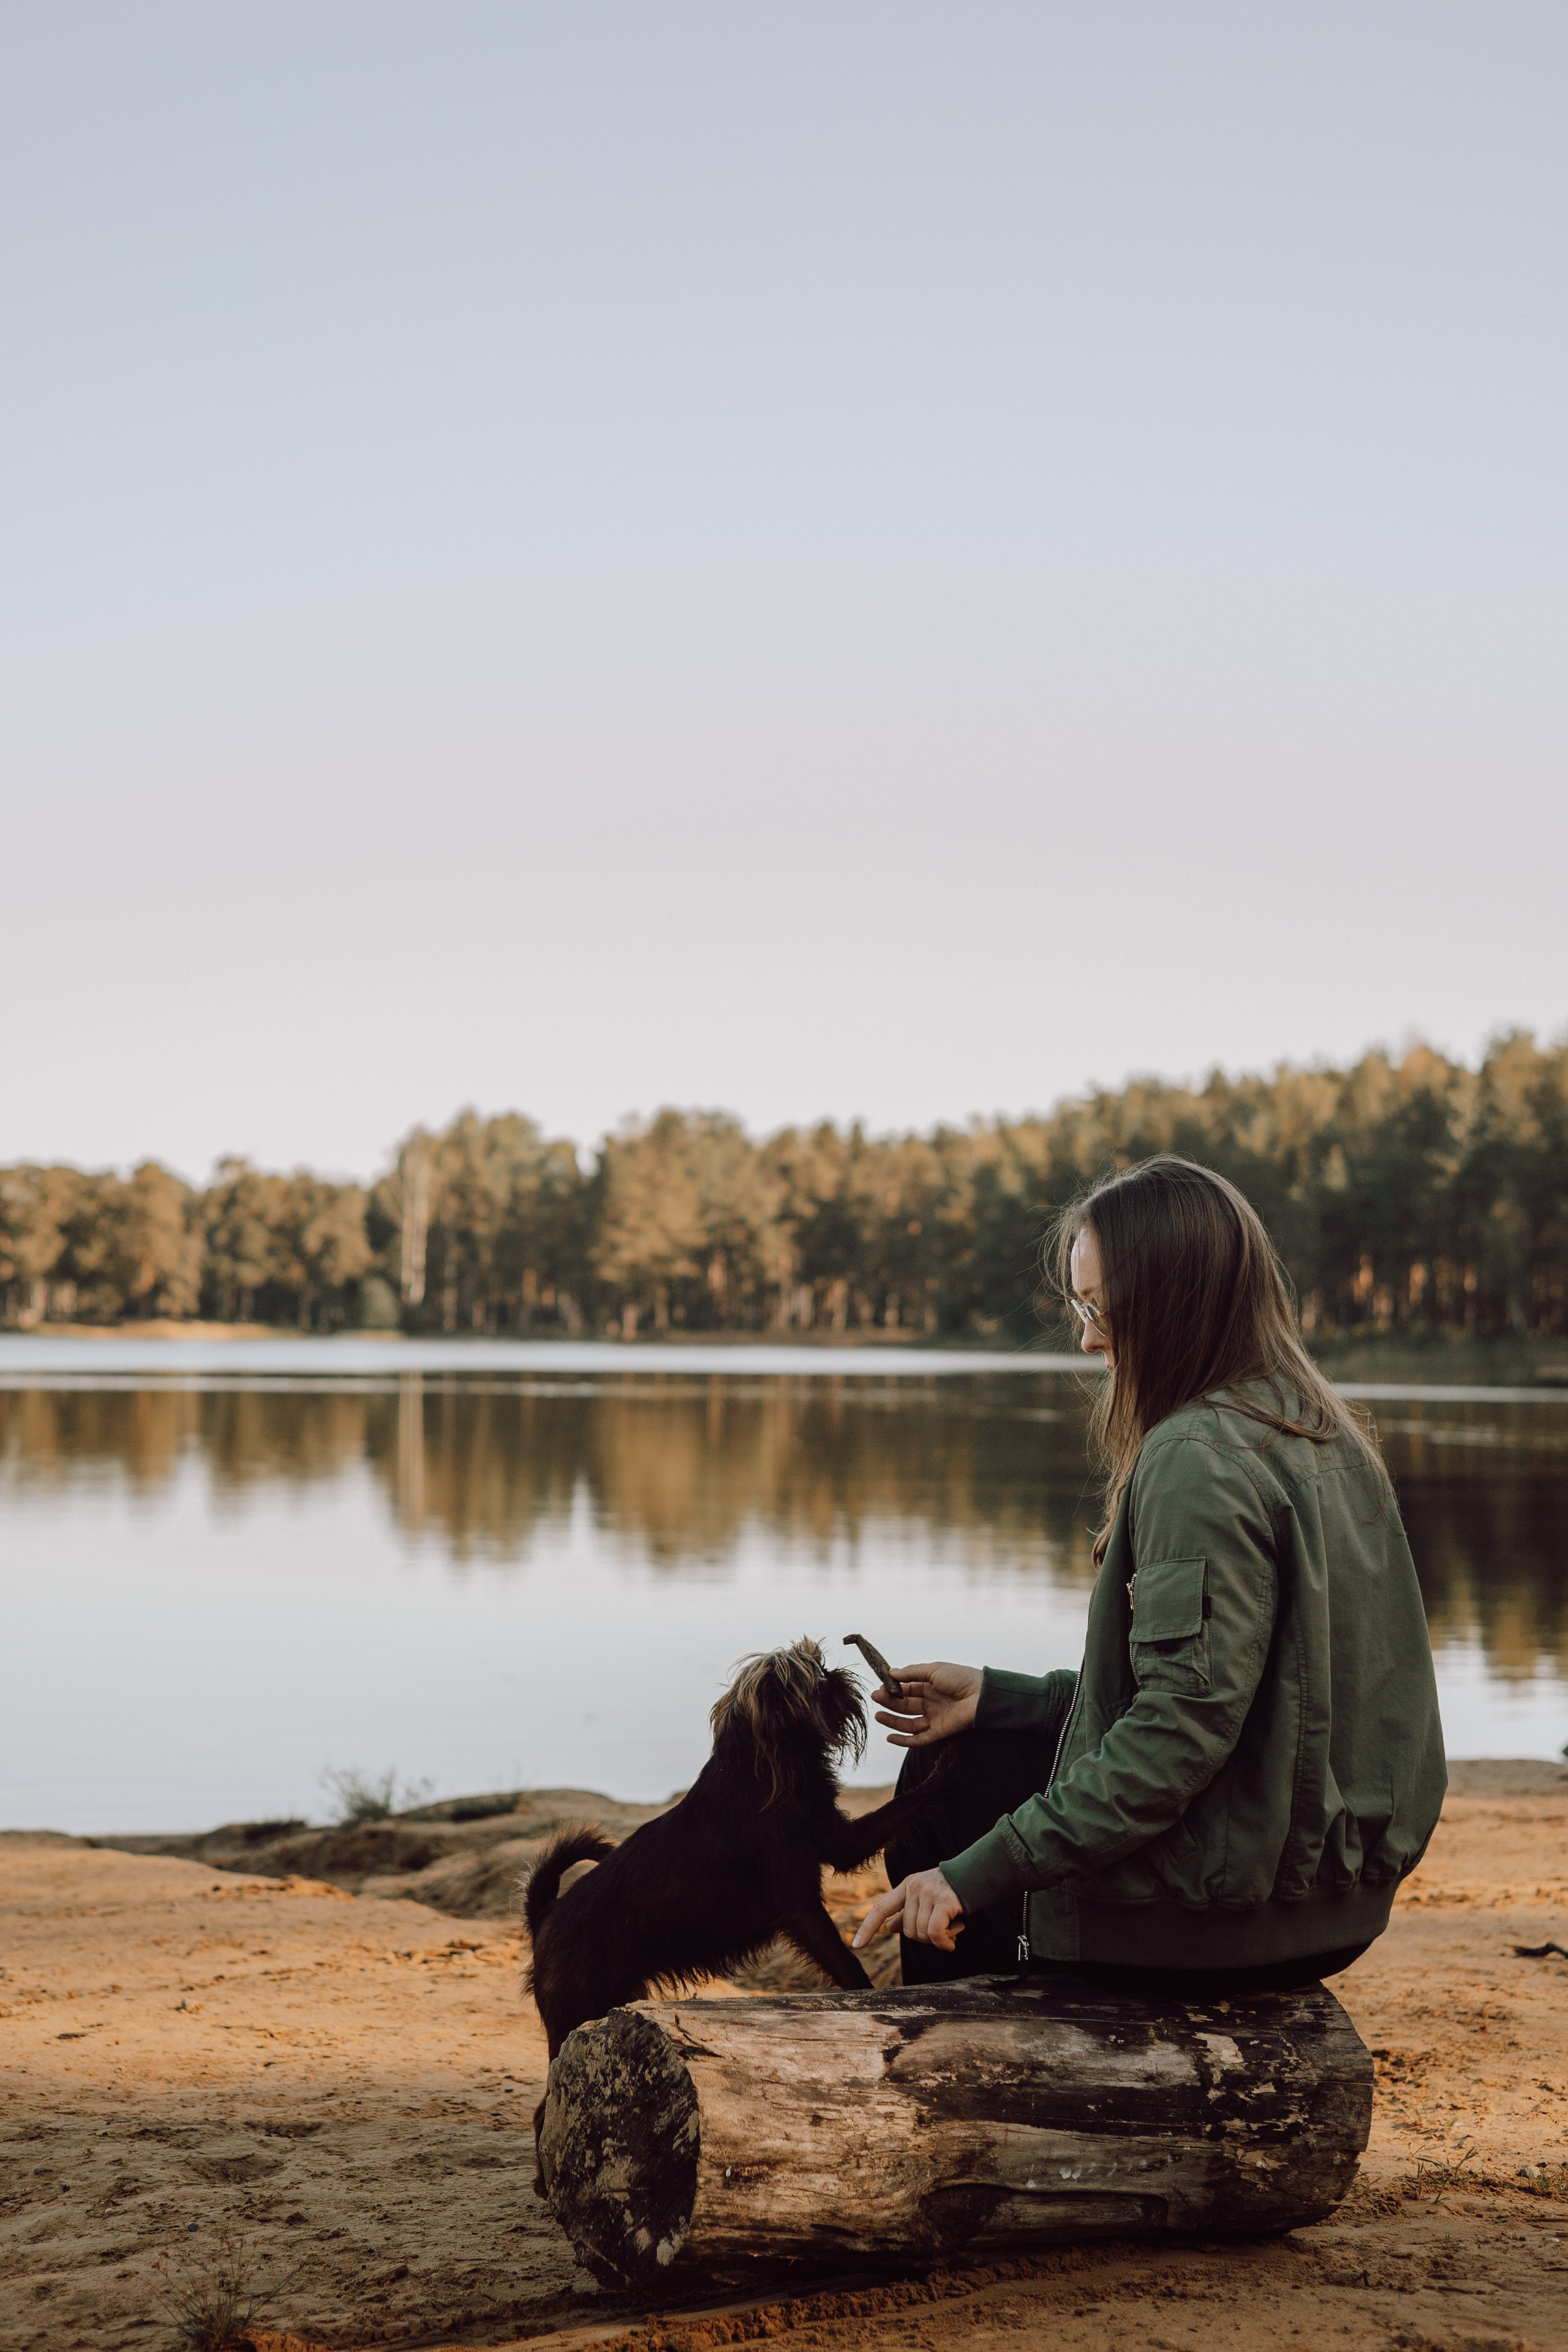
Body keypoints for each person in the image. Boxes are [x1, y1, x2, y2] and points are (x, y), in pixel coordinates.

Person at [854, 1154, 1447, 1999]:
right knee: (977, 1745)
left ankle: (987, 2060)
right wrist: (1000, 1697)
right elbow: (1247, 1709)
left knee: (944, 1798)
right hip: (1326, 1897)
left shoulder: (1195, 1458)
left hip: (1231, 1914)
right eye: (1077, 1305)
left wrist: (966, 1878)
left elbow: (1180, 1731)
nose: (1088, 1337)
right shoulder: (1318, 1428)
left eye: (1099, 1308)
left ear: (1170, 1301)